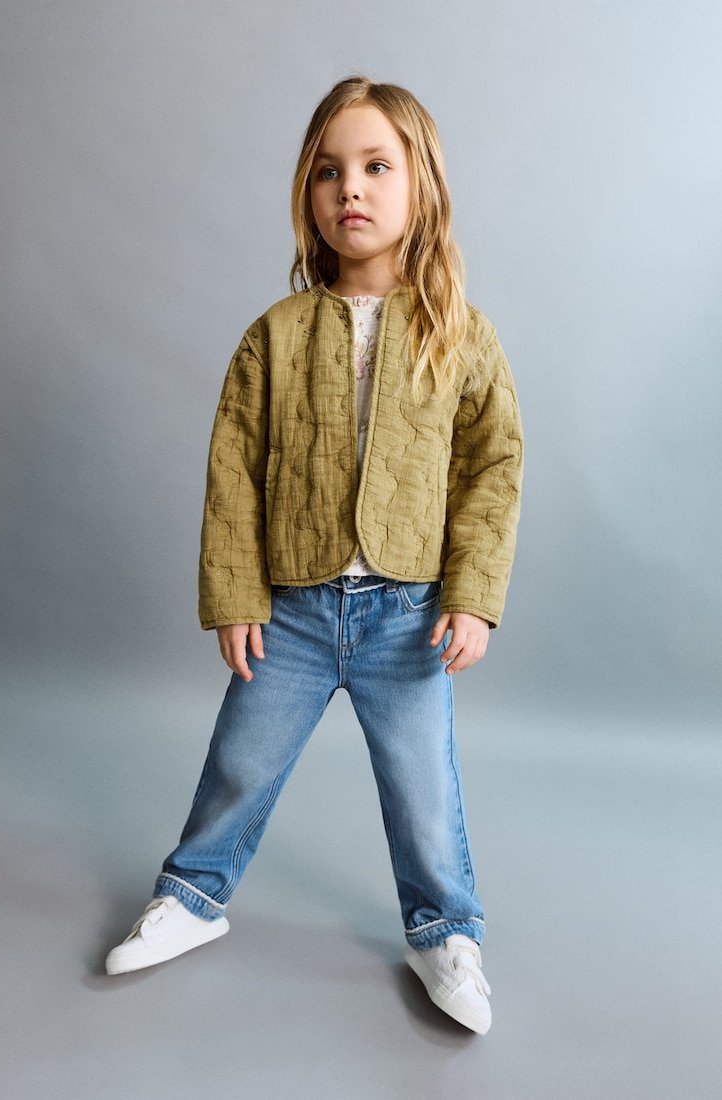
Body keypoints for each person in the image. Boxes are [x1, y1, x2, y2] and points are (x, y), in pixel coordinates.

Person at [105, 75, 523, 1036]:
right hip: (291, 612)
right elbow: (233, 468)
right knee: (239, 762)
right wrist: (235, 594)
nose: (352, 189)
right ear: (309, 192)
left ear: (421, 186)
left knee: (423, 790)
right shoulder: (275, 335)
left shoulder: (459, 335)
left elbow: (492, 468)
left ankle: (444, 932)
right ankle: (193, 897)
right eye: (330, 172)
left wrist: (472, 596)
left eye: (377, 167)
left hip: (408, 617)